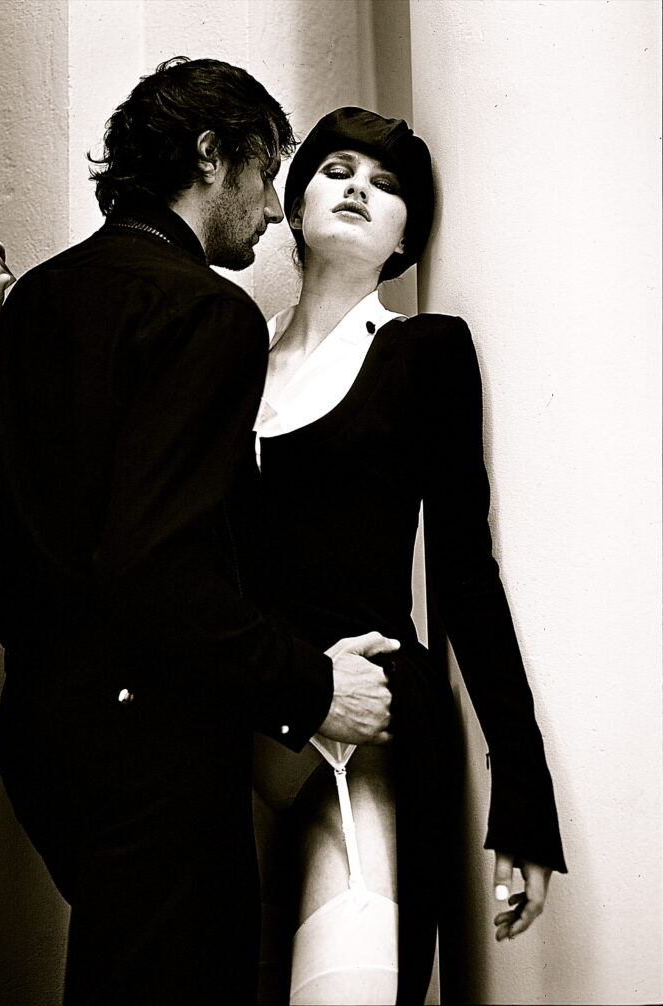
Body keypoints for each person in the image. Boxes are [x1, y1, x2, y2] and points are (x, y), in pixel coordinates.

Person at [0, 62, 401, 1005]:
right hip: (150, 753)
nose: (272, 211)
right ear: (212, 155)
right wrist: (313, 687)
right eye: (266, 174)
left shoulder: (43, 296)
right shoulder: (208, 314)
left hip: (40, 739)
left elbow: (47, 529)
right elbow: (157, 568)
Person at [249, 107, 567, 1005]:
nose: (359, 187)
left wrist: (524, 797)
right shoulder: (231, 350)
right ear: (294, 204)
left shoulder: (425, 351)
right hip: (236, 716)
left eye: (386, 186)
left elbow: (466, 573)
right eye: (338, 170)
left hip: (370, 728)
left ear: (405, 241)